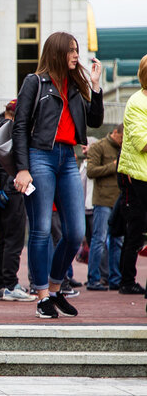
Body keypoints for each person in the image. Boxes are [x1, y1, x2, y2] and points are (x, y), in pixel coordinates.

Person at [12, 31, 104, 318]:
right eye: (71, 50)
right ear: (57, 52)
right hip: (40, 156)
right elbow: (20, 126)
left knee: (76, 232)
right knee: (40, 229)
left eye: (77, 50)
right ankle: (41, 295)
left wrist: (96, 86)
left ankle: (54, 289)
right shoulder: (34, 82)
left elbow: (95, 120)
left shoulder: (76, 87)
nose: (76, 55)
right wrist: (23, 167)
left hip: (67, 158)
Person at [0, 101, 35, 302]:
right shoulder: (12, 131)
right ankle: (10, 284)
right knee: (14, 240)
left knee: (2, 240)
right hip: (12, 189)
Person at [117, 53, 147, 304]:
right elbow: (142, 142)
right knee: (134, 231)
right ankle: (127, 281)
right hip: (137, 177)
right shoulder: (137, 101)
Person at [85, 124, 124, 291]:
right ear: (115, 132)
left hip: (119, 200)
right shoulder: (99, 146)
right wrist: (114, 165)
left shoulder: (127, 149)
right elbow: (91, 171)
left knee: (117, 241)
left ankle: (115, 278)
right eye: (122, 138)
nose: (123, 142)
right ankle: (94, 279)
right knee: (99, 240)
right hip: (102, 200)